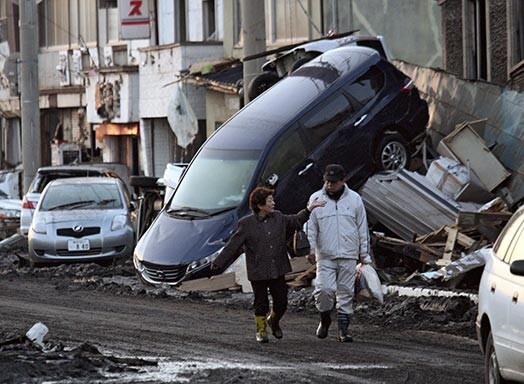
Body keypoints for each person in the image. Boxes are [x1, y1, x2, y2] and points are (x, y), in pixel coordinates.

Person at [211, 187, 325, 343]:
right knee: (260, 302)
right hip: (258, 270)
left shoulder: (278, 217)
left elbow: (295, 220)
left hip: (278, 268)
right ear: (259, 205)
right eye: (270, 201)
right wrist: (218, 263)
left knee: (282, 302)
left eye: (272, 200)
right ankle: (261, 329)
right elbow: (233, 245)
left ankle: (273, 320)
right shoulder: (246, 224)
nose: (273, 203)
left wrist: (309, 209)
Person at [306, 164, 372, 342]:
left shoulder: (355, 200)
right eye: (327, 181)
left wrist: (364, 254)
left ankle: (343, 330)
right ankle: (325, 318)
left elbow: (362, 228)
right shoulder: (316, 198)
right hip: (325, 255)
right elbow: (311, 228)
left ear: (344, 180)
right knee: (324, 290)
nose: (330, 185)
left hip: (348, 254)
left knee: (346, 293)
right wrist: (311, 249)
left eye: (334, 182)